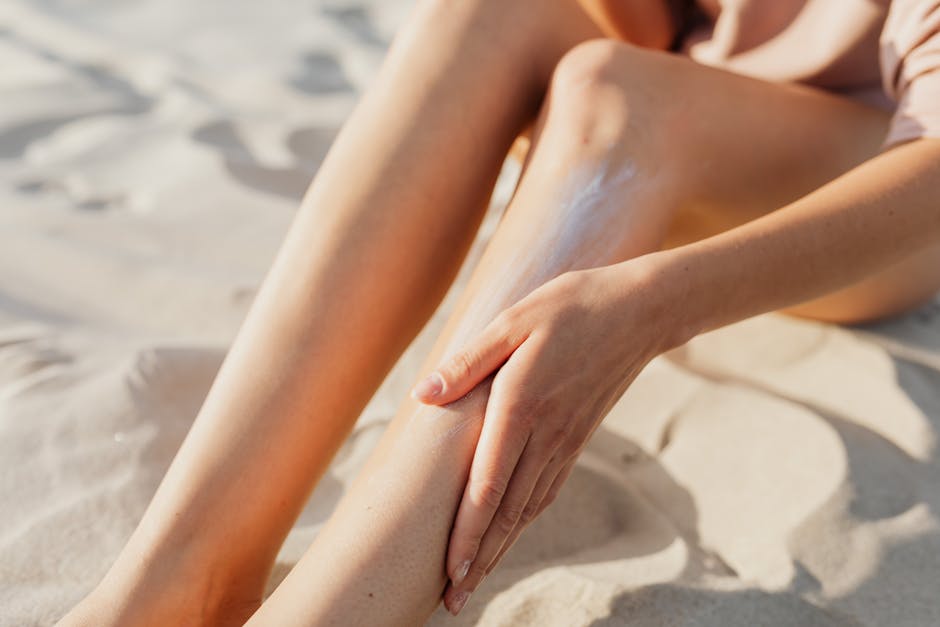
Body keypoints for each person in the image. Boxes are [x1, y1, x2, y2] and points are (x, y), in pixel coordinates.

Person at [59, 0, 940, 624]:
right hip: (725, 96)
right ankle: (177, 582)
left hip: (892, 202)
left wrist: (654, 304)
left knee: (619, 94)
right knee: (485, 11)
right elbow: (653, 25)